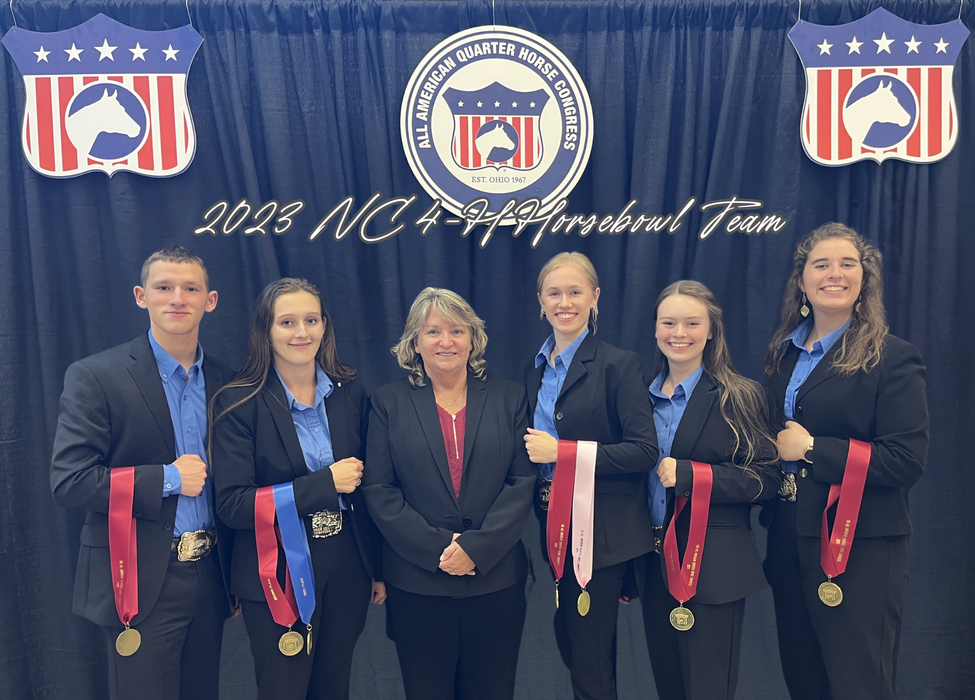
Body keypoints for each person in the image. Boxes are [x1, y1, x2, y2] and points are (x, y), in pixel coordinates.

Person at [50, 246, 235, 700]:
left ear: (210, 301)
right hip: (139, 578)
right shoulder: (96, 376)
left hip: (212, 575)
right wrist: (169, 479)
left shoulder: (230, 382)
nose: (178, 298)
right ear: (141, 296)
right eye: (164, 287)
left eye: (191, 288)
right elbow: (70, 481)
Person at [763, 223, 929, 700]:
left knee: (859, 685)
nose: (834, 274)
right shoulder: (782, 356)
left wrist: (813, 449)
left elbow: (905, 460)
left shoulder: (893, 358)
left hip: (860, 549)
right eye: (821, 265)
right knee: (805, 682)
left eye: (847, 264)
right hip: (788, 540)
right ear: (802, 282)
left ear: (864, 279)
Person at [209, 278, 384, 700]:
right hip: (276, 572)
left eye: (311, 320)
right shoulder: (237, 402)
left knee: (333, 688)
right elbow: (233, 505)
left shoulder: (349, 389)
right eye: (287, 322)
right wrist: (325, 484)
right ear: (265, 330)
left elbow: (371, 489)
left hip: (348, 567)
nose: (301, 332)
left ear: (325, 325)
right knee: (283, 690)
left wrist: (377, 567)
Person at [362, 287, 535, 700]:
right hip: (418, 583)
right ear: (414, 343)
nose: (446, 341)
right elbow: (380, 490)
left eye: (457, 330)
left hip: (495, 580)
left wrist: (476, 547)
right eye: (433, 331)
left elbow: (521, 483)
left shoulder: (510, 398)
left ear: (473, 340)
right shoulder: (387, 402)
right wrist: (441, 548)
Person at [524, 252, 658, 700]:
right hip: (552, 525)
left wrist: (562, 453)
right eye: (554, 293)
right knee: (577, 646)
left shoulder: (618, 364)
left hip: (601, 534)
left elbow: (644, 451)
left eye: (575, 292)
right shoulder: (535, 369)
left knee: (589, 661)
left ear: (595, 297)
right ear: (541, 301)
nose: (565, 302)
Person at [639, 280, 780, 700]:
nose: (679, 333)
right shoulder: (637, 400)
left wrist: (693, 476)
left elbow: (768, 479)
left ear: (711, 330)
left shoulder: (739, 396)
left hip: (714, 566)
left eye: (692, 323)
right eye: (669, 322)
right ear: (655, 328)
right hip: (652, 566)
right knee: (670, 689)